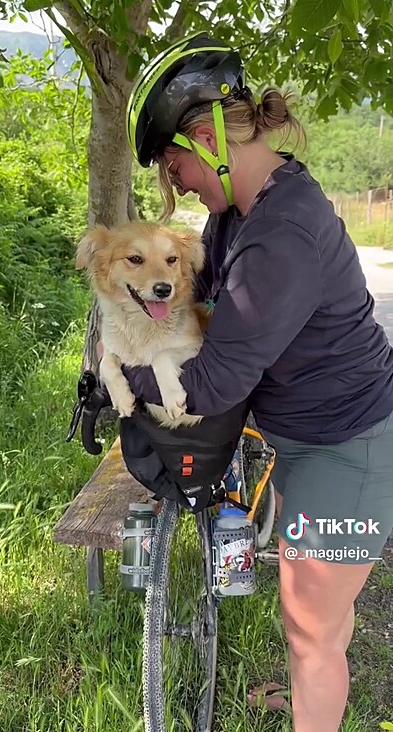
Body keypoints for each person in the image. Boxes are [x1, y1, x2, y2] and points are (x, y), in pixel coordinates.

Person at [122, 32, 393, 731]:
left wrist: (118, 378)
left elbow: (208, 385)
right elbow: (200, 295)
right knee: (315, 611)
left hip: (345, 448)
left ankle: (314, 693)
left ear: (208, 135)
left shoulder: (282, 233)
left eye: (173, 161)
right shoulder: (236, 214)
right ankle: (312, 675)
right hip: (305, 434)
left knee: (311, 633)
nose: (173, 180)